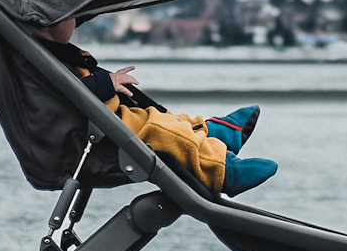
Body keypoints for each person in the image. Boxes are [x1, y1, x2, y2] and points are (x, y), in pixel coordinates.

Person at [34, 18, 278, 196]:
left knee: (160, 117)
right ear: (45, 24)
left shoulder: (46, 55)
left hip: (106, 119)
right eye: (70, 17)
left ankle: (211, 132)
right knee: (160, 132)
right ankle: (222, 171)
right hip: (95, 134)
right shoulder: (38, 62)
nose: (75, 21)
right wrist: (106, 82)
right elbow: (64, 97)